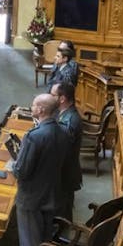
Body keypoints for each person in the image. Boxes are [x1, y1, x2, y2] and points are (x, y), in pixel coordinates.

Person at [11, 93, 69, 246]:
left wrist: (13, 165)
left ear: (41, 110)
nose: (32, 106)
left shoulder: (34, 136)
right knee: (45, 240)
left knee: (29, 244)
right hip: (51, 194)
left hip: (31, 199)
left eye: (34, 104)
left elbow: (22, 171)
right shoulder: (63, 132)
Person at [53, 82, 82, 221]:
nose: (50, 97)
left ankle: (60, 240)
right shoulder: (65, 113)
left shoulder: (71, 119)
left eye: (53, 95)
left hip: (65, 173)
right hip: (64, 170)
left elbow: (61, 146)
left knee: (63, 211)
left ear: (62, 99)